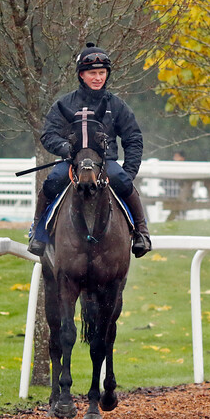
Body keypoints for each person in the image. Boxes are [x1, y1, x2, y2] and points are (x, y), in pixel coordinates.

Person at [27, 43, 152, 258]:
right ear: (81, 75)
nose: (98, 77)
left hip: (105, 164)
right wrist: (66, 149)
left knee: (122, 181)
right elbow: (48, 135)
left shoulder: (117, 105)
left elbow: (133, 139)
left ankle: (141, 232)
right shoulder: (63, 104)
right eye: (92, 73)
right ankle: (38, 232)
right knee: (53, 180)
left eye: (101, 73)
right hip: (72, 163)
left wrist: (129, 172)